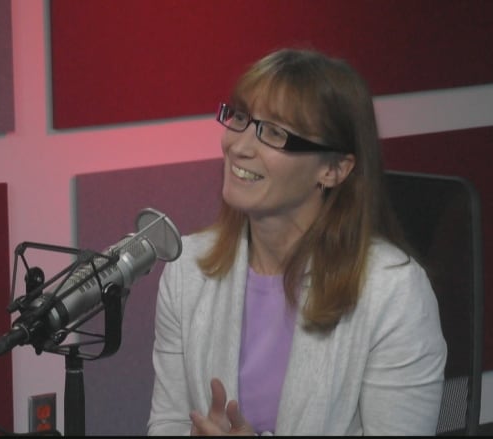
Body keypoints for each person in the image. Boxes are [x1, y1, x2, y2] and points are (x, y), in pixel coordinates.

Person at [147, 47, 447, 436]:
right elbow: (167, 424)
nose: (238, 145)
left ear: (334, 169)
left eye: (274, 133)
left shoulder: (394, 293)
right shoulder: (186, 270)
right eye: (240, 117)